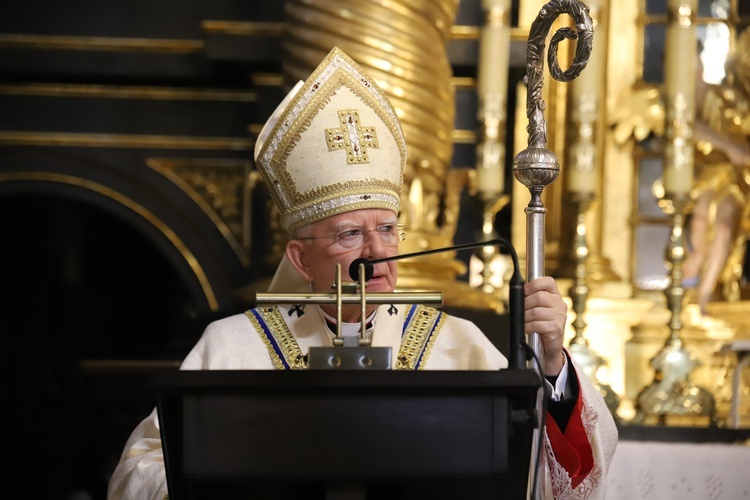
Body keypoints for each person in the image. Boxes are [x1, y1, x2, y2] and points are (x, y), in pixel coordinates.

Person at [107, 47, 618, 500]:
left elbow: (555, 482)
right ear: (301, 259)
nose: (378, 251)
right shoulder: (229, 348)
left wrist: (551, 362)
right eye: (350, 234)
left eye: (389, 229)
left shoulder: (458, 346)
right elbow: (138, 474)